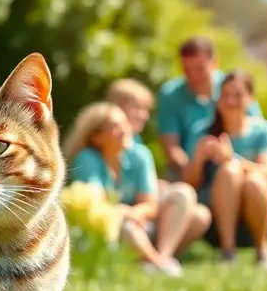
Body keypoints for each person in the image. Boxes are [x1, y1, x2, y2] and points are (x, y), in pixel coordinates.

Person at [65, 102, 210, 276]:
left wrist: (134, 214)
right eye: (115, 126)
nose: (125, 130)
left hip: (140, 223)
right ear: (97, 137)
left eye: (125, 123)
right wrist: (128, 215)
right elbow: (99, 206)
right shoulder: (86, 159)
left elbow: (150, 204)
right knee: (128, 228)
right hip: (113, 230)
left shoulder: (140, 154)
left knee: (184, 195)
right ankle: (158, 264)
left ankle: (162, 257)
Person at [183, 70, 267, 271]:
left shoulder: (266, 131)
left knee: (251, 179)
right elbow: (188, 185)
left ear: (251, 99)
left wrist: (232, 159)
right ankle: (227, 251)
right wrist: (199, 159)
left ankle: (263, 249)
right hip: (215, 223)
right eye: (225, 94)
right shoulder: (203, 132)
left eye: (237, 95)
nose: (230, 100)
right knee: (229, 172)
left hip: (261, 215)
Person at [106, 78, 212, 256]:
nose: (145, 116)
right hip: (119, 218)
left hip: (139, 214)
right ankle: (155, 259)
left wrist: (154, 188)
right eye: (138, 109)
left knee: (199, 214)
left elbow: (145, 198)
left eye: (146, 110)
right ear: (118, 109)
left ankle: (161, 257)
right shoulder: (102, 147)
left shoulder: (137, 146)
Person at [157, 36, 262, 180]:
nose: (193, 76)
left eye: (200, 69)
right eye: (187, 69)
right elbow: (172, 148)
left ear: (214, 63)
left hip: (238, 167)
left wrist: (232, 161)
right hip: (187, 168)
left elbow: (257, 131)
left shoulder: (233, 86)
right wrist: (196, 169)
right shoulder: (170, 95)